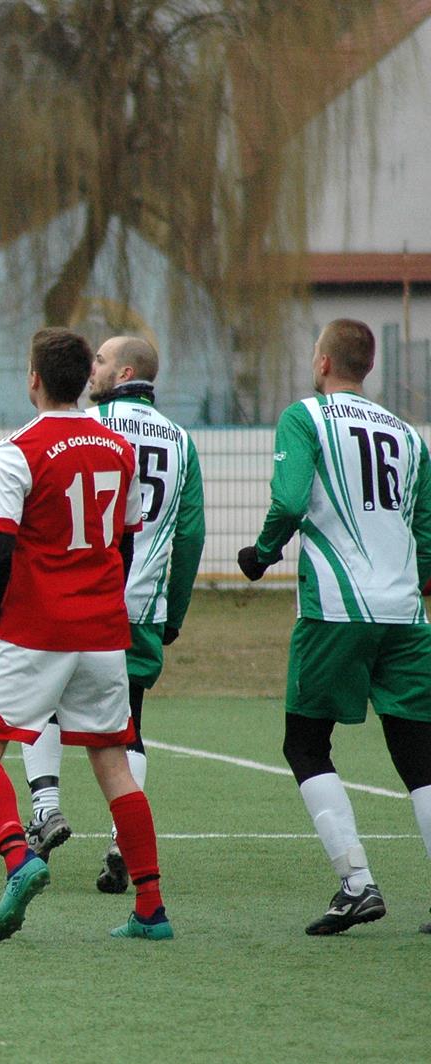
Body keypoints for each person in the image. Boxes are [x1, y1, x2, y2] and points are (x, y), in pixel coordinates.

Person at [0, 327, 173, 942]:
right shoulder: (117, 446)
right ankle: (151, 908)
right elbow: (126, 540)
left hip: (34, 627)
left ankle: (18, 858)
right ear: (86, 380)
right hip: (103, 630)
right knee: (113, 766)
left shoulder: (14, 450)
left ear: (33, 378)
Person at [237, 318, 431, 936]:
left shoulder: (307, 417)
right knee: (419, 756)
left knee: (304, 743)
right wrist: (407, 587)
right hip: (405, 614)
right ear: (368, 367)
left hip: (336, 610)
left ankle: (356, 882)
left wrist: (262, 554)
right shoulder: (408, 436)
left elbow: (291, 502)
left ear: (322, 362)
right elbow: (426, 532)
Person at [17, 335, 205, 894]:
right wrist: (175, 608)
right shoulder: (179, 439)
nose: (89, 369)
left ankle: (45, 808)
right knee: (130, 728)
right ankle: (125, 845)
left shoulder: (85, 427)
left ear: (123, 372)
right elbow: (190, 533)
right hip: (143, 602)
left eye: (98, 360)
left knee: (40, 704)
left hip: (77, 597)